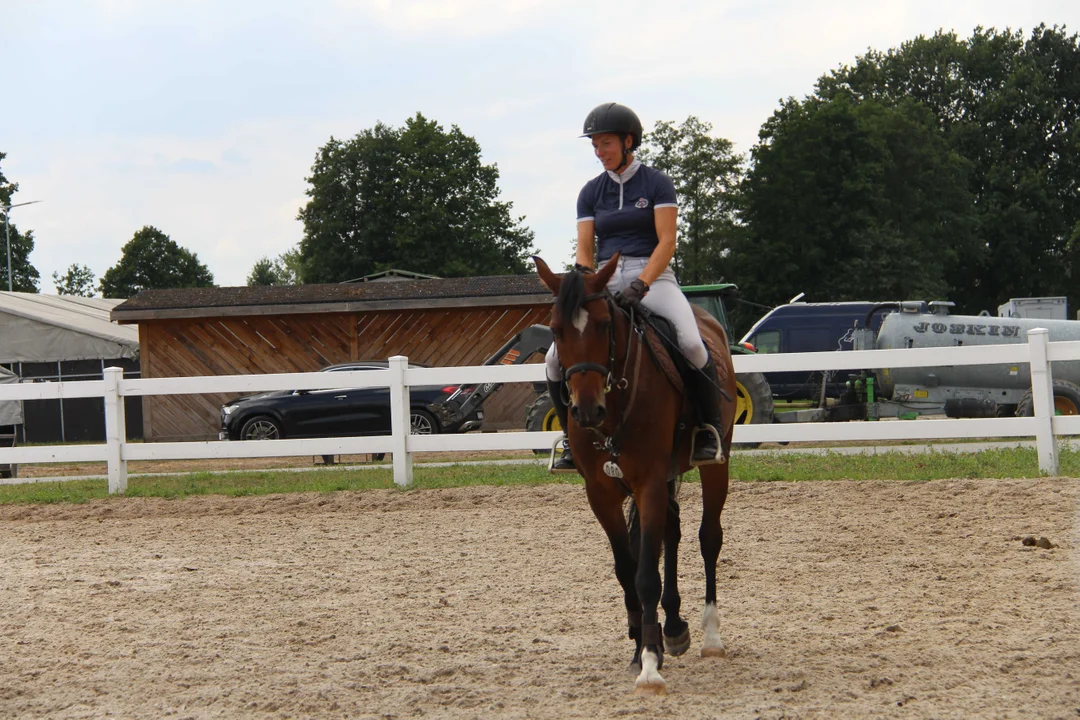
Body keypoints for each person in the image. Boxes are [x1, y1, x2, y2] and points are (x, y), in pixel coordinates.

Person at [546, 102, 727, 473]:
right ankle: (570, 436)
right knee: (552, 360)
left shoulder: (657, 183)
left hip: (654, 276)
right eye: (595, 145)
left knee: (692, 344)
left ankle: (708, 432)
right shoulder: (591, 192)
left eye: (606, 143)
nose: (600, 152)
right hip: (605, 280)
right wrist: (585, 281)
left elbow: (667, 242)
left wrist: (642, 284)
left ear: (629, 142)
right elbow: (585, 247)